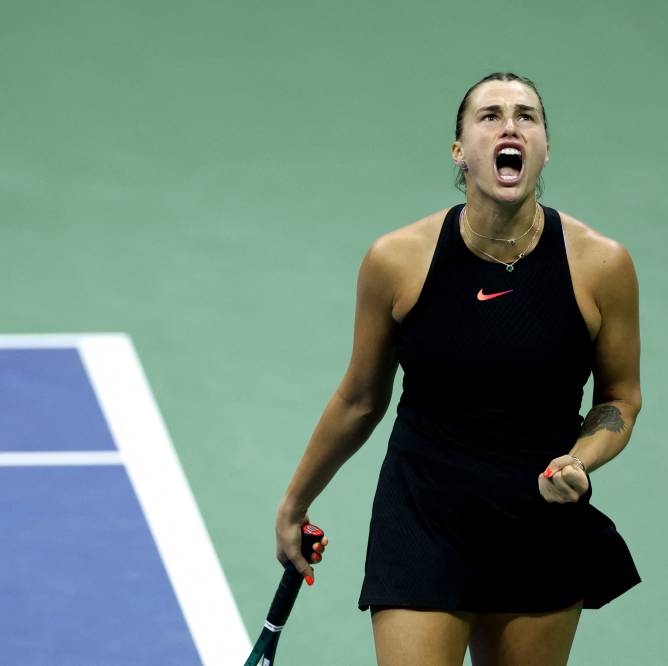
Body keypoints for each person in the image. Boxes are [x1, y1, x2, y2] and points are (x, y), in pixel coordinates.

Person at [274, 71, 642, 666]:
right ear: (460, 151)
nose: (510, 127)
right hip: (424, 515)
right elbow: (360, 399)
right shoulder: (398, 261)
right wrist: (296, 503)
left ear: (545, 147)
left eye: (527, 116)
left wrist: (581, 457)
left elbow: (620, 397)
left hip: (537, 523)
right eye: (490, 116)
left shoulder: (601, 265)